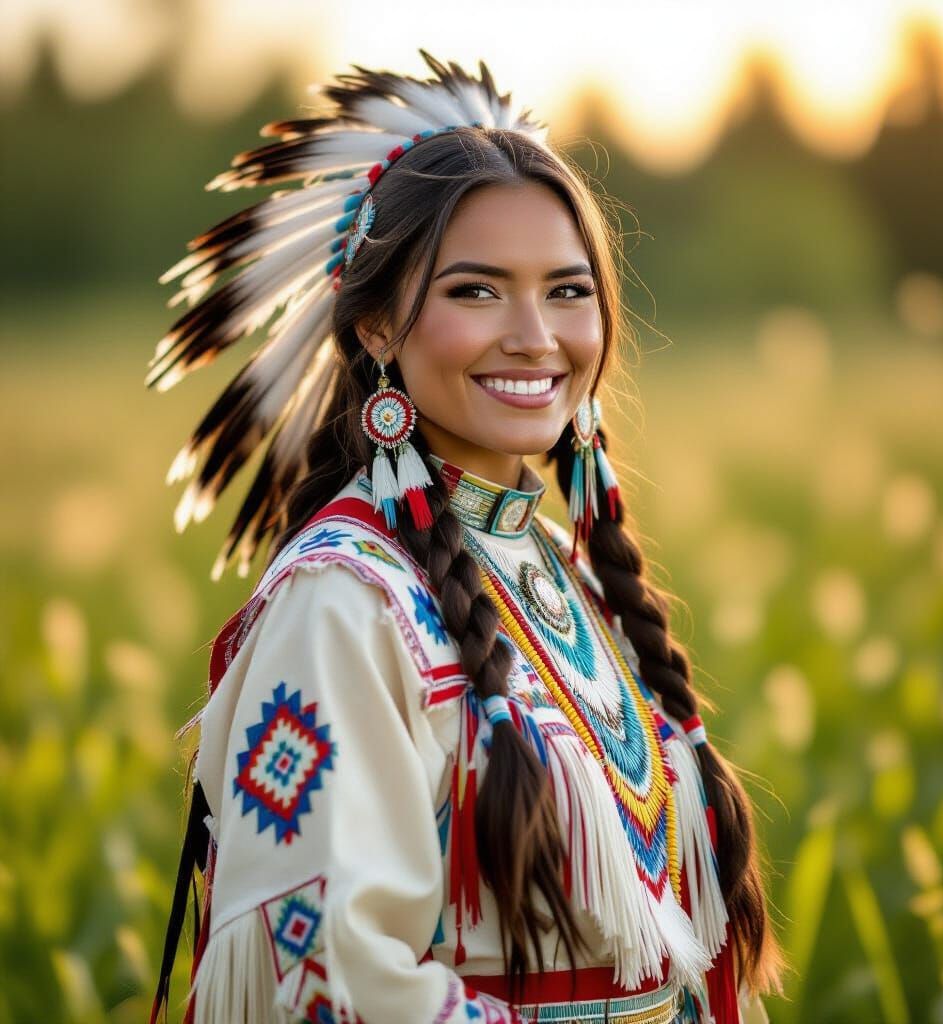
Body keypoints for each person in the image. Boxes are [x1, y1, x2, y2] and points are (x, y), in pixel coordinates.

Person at [147, 50, 782, 1024]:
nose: (534, 335)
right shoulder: (341, 604)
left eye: (567, 291)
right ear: (373, 329)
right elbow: (321, 975)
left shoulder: (566, 578)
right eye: (476, 291)